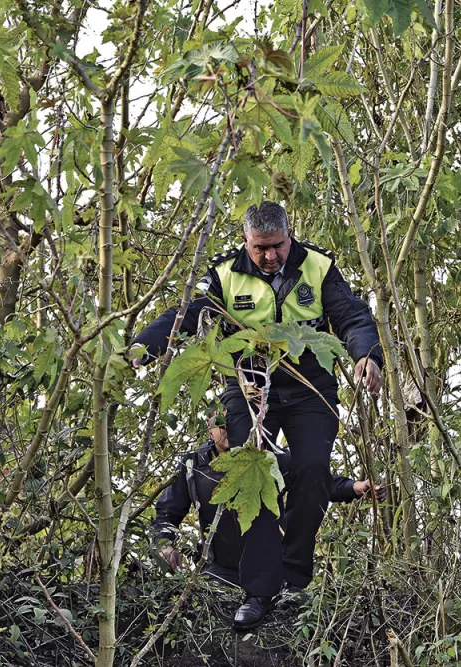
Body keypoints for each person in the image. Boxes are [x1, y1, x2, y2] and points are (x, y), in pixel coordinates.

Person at [133, 200, 383, 630]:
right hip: (249, 386)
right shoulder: (225, 274)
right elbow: (187, 314)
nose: (269, 257)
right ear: (245, 242)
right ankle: (259, 591)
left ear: (290, 236)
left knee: (310, 469)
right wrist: (145, 345)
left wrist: (367, 356)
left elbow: (353, 316)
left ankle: (295, 576)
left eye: (277, 247)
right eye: (260, 248)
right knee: (257, 472)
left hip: (309, 384)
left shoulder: (320, 267)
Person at [150, 411, 384, 587]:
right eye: (220, 423)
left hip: (268, 567)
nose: (228, 429)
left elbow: (315, 480)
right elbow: (167, 511)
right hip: (218, 569)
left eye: (234, 419)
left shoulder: (271, 459)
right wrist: (164, 544)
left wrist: (355, 487)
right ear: (209, 429)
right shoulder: (194, 465)